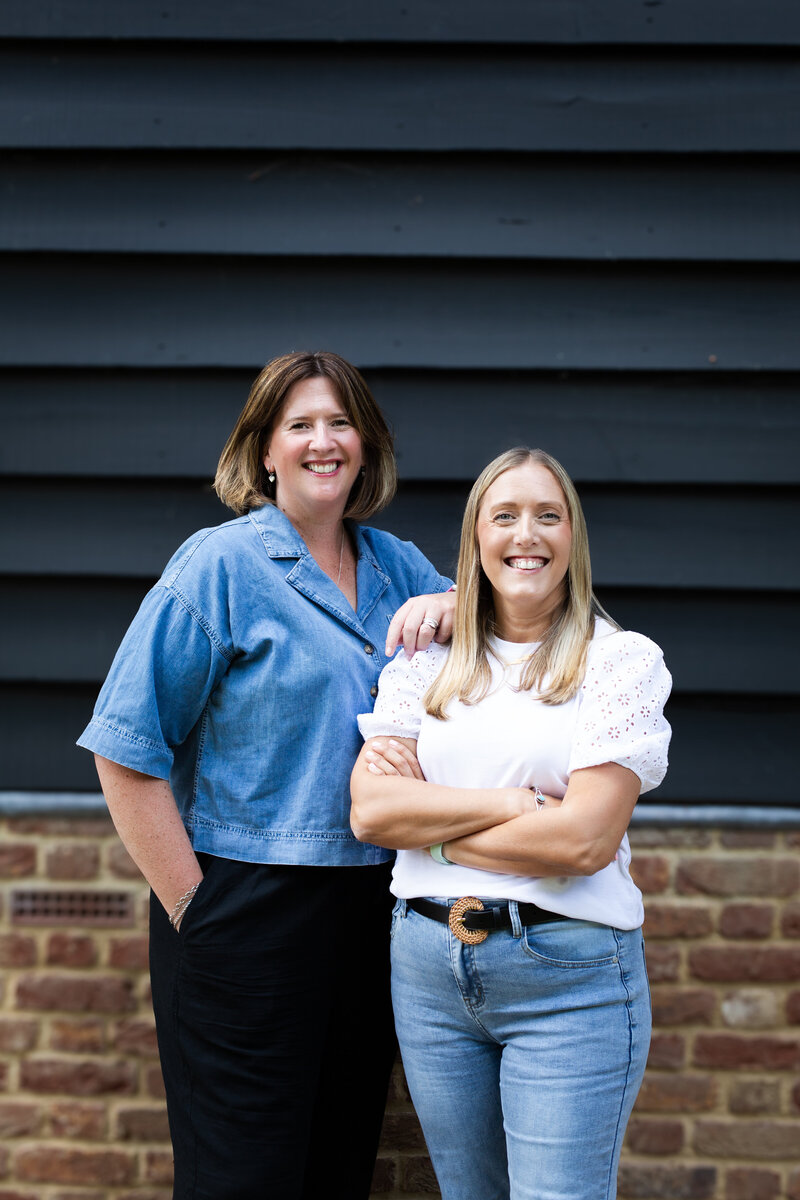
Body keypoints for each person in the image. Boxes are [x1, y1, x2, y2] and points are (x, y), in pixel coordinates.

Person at [76, 350, 456, 1200]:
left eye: (340, 422)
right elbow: (124, 748)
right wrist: (195, 912)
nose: (323, 442)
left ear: (367, 445)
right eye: (300, 425)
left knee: (337, 1164)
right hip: (245, 908)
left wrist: (462, 602)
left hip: (374, 913)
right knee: (241, 1178)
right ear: (264, 451)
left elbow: (521, 625)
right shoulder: (220, 566)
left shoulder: (397, 567)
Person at [350, 446, 672, 1200]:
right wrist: (516, 805)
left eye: (548, 516)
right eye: (505, 516)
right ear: (477, 540)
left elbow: (583, 841)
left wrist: (427, 829)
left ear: (572, 539)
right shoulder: (424, 662)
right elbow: (370, 810)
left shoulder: (619, 663)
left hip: (568, 977)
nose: (527, 533)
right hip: (429, 972)